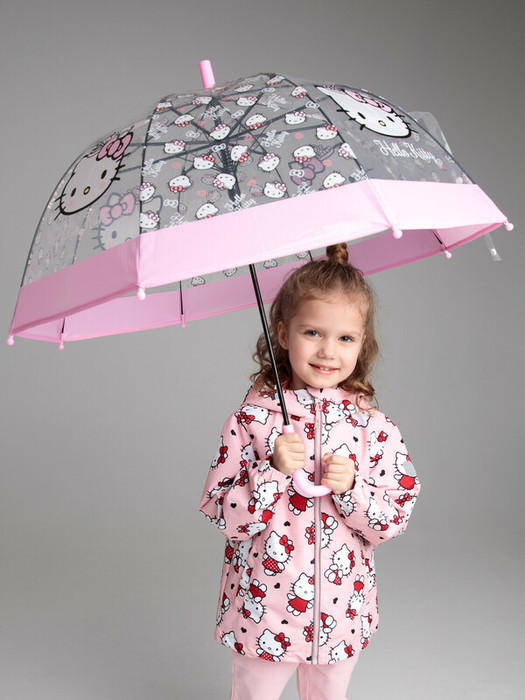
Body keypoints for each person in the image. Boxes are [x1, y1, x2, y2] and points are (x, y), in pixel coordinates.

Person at [200, 242, 421, 700]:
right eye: (313, 332)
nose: (327, 351)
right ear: (283, 333)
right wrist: (271, 471)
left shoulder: (373, 428)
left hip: (341, 613)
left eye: (345, 338)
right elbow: (224, 515)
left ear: (363, 343)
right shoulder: (251, 422)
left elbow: (392, 519)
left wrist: (352, 488)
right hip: (264, 608)